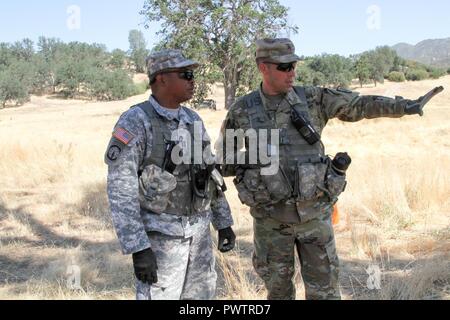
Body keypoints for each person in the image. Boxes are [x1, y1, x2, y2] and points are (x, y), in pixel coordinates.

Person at [218, 38, 443, 300]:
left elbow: (359, 105)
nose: (292, 72)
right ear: (263, 67)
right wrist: (256, 158)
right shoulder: (243, 110)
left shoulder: (313, 98)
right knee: (278, 292)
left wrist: (405, 106)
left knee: (324, 292)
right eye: (284, 67)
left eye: (294, 65)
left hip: (315, 217)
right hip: (271, 221)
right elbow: (224, 160)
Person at [105, 49, 236, 300]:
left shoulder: (192, 119)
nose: (192, 81)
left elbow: (211, 174)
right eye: (185, 74)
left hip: (199, 239)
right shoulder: (136, 121)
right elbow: (121, 188)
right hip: (160, 242)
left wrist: (223, 222)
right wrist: (139, 248)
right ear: (161, 79)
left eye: (192, 75)